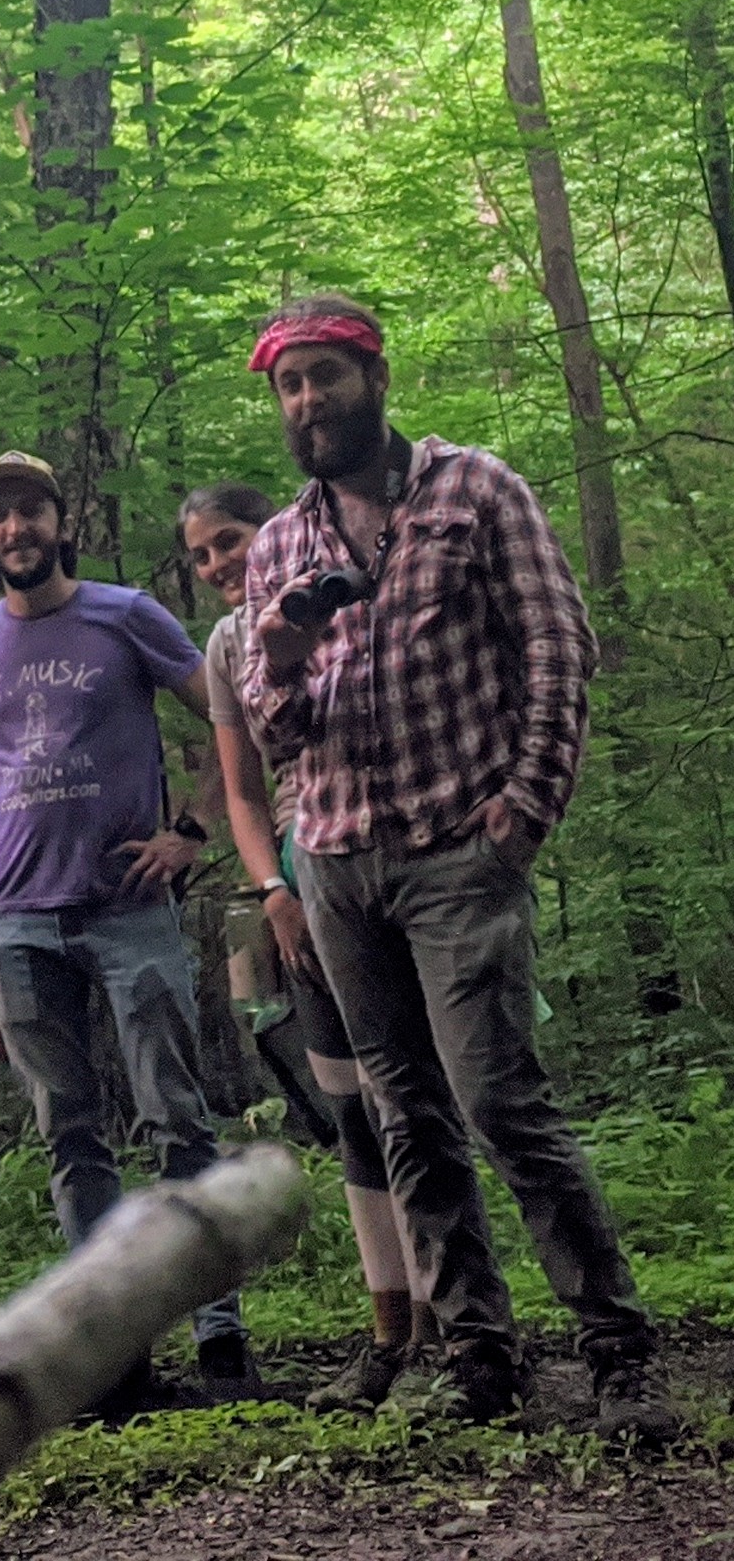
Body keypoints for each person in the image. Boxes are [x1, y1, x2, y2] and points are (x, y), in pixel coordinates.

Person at [237, 296, 679, 1441]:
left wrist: (524, 810)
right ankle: (476, 1356)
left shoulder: (475, 489)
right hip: (337, 859)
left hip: (456, 848)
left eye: (324, 377)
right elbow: (270, 731)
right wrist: (278, 662)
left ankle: (616, 1349)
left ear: (372, 377)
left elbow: (555, 642)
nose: (306, 403)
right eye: (288, 387)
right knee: (404, 1116)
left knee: (495, 1098)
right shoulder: (280, 545)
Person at [0, 450, 262, 1409]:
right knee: (70, 1133)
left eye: (30, 511)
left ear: (59, 524)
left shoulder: (125, 614)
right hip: (17, 921)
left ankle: (219, 1335)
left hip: (129, 915)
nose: (14, 530)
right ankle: (108, 1349)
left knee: (174, 1117)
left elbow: (224, 716)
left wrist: (190, 832)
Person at [184, 480, 437, 1411]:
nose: (217, 563)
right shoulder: (222, 646)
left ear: (271, 534)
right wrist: (273, 891)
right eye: (201, 553)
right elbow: (242, 792)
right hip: (296, 880)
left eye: (230, 540)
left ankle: (451, 1321)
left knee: (412, 1098)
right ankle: (388, 1330)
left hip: (386, 860)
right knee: (348, 1116)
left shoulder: (344, 594)